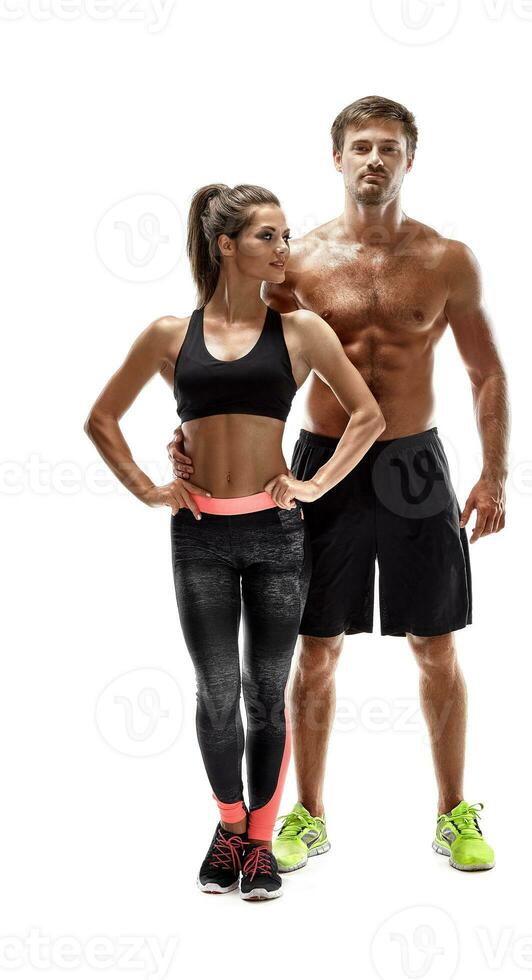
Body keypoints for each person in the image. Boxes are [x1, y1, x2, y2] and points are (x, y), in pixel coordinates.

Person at [169, 95, 510, 875]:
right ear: (337, 157)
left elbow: (485, 371)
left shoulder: (447, 258)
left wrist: (494, 474)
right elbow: (222, 348)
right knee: (315, 648)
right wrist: (186, 435)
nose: (374, 159)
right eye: (360, 146)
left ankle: (454, 811)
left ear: (409, 161)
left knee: (435, 643)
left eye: (390, 147)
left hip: (415, 467)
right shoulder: (297, 260)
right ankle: (308, 814)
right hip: (320, 460)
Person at [84, 182, 385, 900]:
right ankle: (228, 826)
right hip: (199, 536)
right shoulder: (167, 335)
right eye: (268, 237)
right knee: (217, 692)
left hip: (277, 534)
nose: (284, 249)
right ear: (227, 245)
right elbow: (101, 418)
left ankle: (260, 842)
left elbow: (366, 416)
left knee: (263, 692)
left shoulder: (302, 331)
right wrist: (152, 488)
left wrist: (312, 487)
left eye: (286, 236)